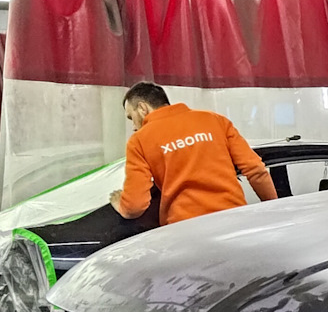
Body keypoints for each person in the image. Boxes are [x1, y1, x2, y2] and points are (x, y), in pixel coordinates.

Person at [111, 82, 279, 225]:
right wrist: (275, 209)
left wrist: (122, 206)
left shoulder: (139, 141)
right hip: (233, 220)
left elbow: (135, 205)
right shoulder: (215, 120)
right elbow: (256, 170)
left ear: (142, 108)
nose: (133, 127)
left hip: (185, 228)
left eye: (130, 117)